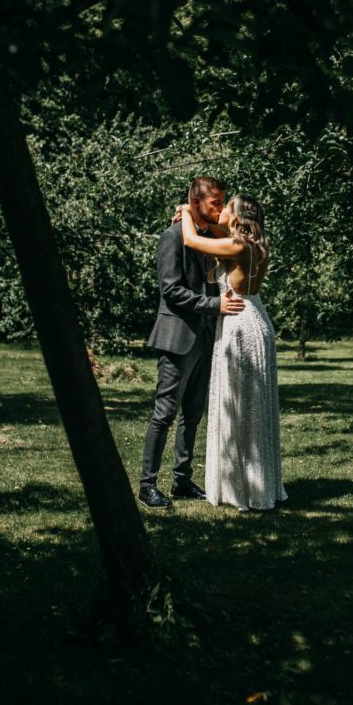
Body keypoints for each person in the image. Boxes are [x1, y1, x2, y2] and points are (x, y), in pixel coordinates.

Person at [139, 176, 245, 509]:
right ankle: (147, 486)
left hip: (205, 337)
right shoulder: (172, 237)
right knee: (164, 413)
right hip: (178, 337)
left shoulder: (204, 236)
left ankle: (182, 481)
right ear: (196, 201)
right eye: (216, 202)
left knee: (193, 414)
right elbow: (170, 290)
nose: (220, 208)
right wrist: (215, 305)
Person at [180, 194, 287, 511]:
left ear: (238, 218)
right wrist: (209, 219)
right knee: (253, 406)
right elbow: (214, 230)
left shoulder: (237, 246)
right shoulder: (256, 246)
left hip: (240, 325)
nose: (221, 210)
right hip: (258, 319)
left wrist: (187, 209)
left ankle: (242, 488)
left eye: (227, 208)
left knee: (239, 405)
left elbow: (190, 239)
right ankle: (255, 482)